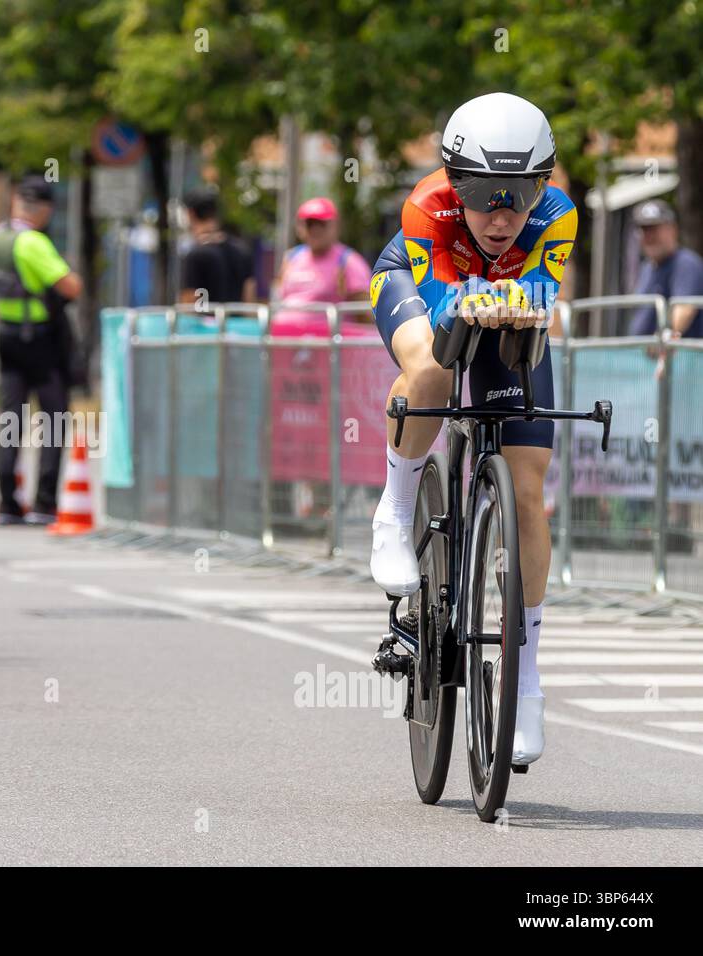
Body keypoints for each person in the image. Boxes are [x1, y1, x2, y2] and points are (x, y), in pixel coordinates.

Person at [368, 92, 577, 766]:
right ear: (457, 183)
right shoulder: (426, 206)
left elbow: (539, 299)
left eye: (519, 195)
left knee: (525, 489)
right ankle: (396, 508)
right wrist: (495, 300)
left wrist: (525, 303)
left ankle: (527, 677)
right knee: (431, 366)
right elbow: (444, 305)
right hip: (421, 288)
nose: (501, 214)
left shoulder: (560, 217)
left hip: (505, 317)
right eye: (484, 194)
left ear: (541, 187)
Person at [0, 175, 84, 525]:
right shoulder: (33, 243)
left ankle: (7, 502)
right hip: (41, 339)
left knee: (10, 418)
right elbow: (71, 287)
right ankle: (44, 503)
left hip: (6, 335)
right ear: (45, 209)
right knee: (52, 419)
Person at [274, 197, 372, 330]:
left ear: (335, 226)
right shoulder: (291, 258)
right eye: (310, 224)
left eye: (321, 224)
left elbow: (365, 313)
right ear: (300, 227)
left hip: (327, 344)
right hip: (285, 340)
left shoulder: (348, 261)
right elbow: (278, 296)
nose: (315, 230)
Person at [625, 200, 703, 347]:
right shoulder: (647, 267)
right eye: (644, 229)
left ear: (672, 229)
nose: (648, 236)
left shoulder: (686, 263)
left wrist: (663, 341)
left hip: (680, 364)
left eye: (654, 229)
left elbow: (684, 309)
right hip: (643, 362)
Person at [179, 187, 256, 307]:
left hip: (203, 324)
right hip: (237, 324)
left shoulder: (195, 255)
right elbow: (249, 300)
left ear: (191, 214)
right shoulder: (242, 250)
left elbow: (190, 304)